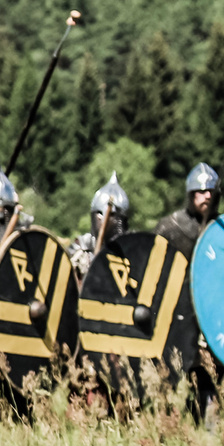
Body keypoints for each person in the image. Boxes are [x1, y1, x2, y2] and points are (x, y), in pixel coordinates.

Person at [70, 172, 144, 419]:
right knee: (87, 387)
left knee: (122, 388)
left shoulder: (131, 251)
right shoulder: (81, 248)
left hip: (119, 331)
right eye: (102, 215)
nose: (108, 221)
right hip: (86, 331)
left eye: (115, 217)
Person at [155, 161, 223, 426]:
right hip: (177, 315)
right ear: (190, 194)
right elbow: (154, 273)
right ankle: (169, 427)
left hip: (211, 316)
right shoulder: (170, 228)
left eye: (210, 192)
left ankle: (207, 430)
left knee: (208, 375)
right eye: (200, 191)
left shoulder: (222, 230)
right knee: (172, 375)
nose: (206, 196)